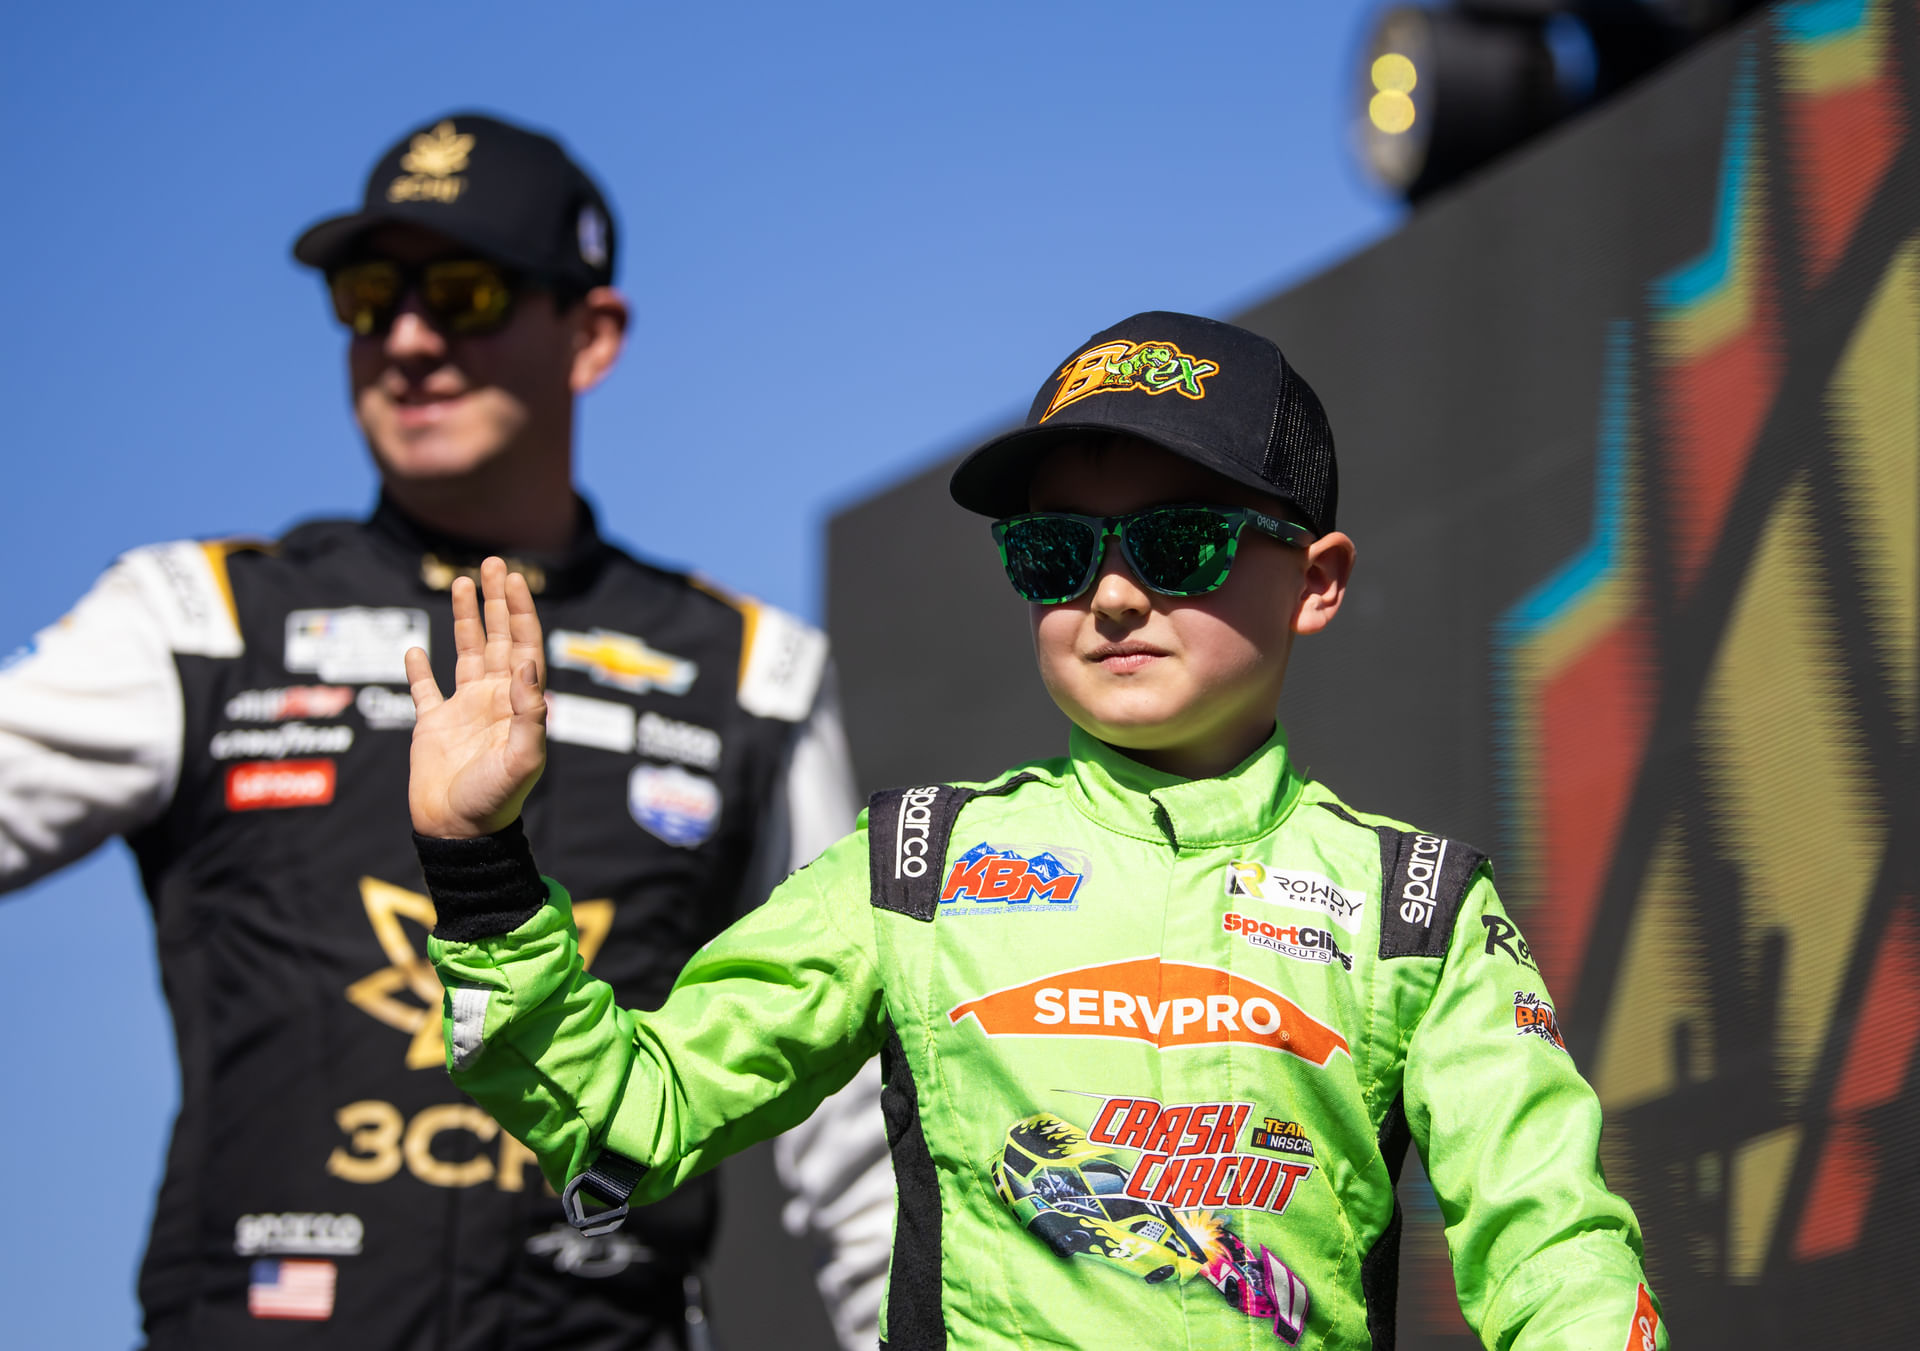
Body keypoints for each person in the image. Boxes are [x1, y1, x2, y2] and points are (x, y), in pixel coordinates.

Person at [405, 311, 1667, 1349]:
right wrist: (479, 865)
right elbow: (633, 1106)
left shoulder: (1415, 904)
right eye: (1056, 552)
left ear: (1318, 580)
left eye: (1180, 541)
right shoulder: (918, 868)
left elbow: (1554, 1250)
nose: (1113, 594)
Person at [0, 112, 890, 1350]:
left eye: (465, 293)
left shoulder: (752, 672)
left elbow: (854, 1141)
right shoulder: (200, 616)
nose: (410, 340)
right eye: (371, 298)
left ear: (591, 336)